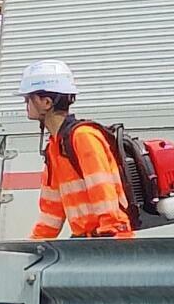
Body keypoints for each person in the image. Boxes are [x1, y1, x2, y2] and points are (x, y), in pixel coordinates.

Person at [19, 59, 133, 241]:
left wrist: (109, 237)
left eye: (28, 98)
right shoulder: (55, 147)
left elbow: (103, 192)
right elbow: (52, 211)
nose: (26, 104)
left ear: (46, 102)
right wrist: (32, 247)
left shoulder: (83, 137)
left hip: (109, 239)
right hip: (86, 240)